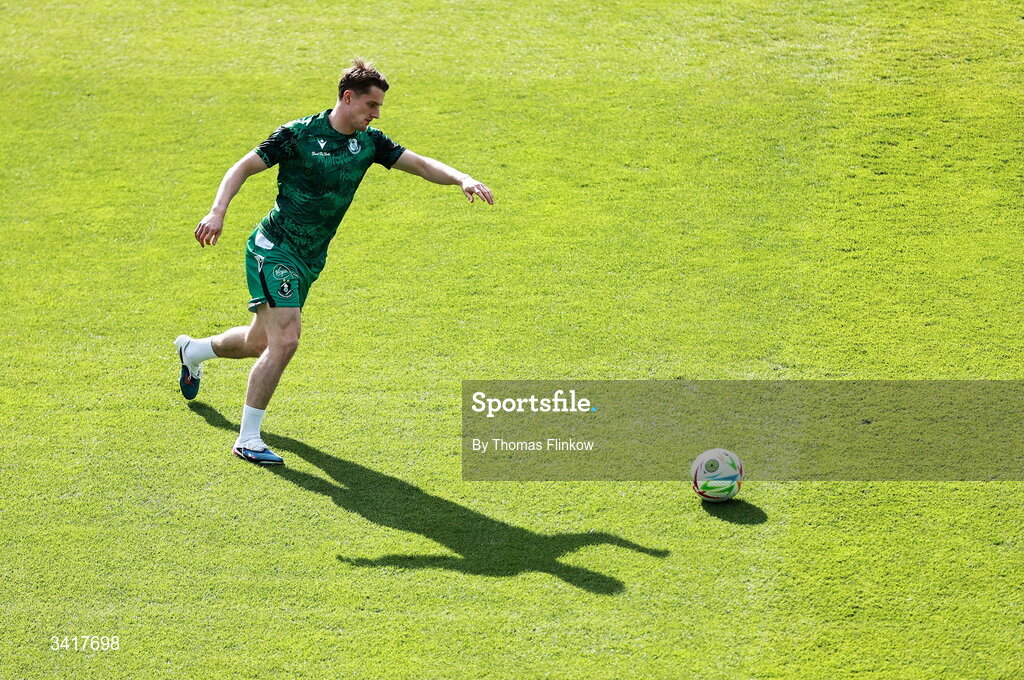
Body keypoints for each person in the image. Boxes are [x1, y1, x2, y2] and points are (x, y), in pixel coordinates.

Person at [175, 59, 494, 465]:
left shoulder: (370, 143)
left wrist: (461, 178)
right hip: (274, 248)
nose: (376, 114)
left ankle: (193, 352)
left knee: (259, 344)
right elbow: (242, 167)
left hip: (309, 259)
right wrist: (217, 211)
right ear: (348, 98)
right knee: (286, 340)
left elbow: (421, 164)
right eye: (371, 106)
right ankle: (248, 439)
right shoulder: (298, 135)